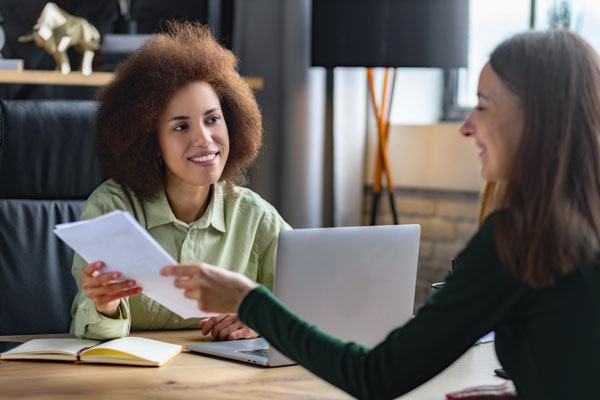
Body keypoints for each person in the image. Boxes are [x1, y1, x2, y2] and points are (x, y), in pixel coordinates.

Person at [161, 29, 600, 400]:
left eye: (483, 105)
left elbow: (374, 377)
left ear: (536, 120)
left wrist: (247, 300)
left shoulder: (521, 239)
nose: (467, 125)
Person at [70, 21, 290, 341]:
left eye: (213, 119)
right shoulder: (110, 210)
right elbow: (93, 330)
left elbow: (304, 306)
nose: (205, 139)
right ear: (150, 142)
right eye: (180, 127)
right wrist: (106, 307)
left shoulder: (257, 218)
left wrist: (262, 320)